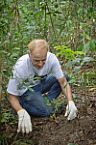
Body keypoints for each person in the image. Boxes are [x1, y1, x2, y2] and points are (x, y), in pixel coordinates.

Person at [7, 39, 77, 134]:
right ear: (29, 54)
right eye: (36, 60)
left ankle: (45, 101)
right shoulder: (21, 66)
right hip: (26, 91)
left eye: (43, 60)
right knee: (46, 112)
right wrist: (20, 111)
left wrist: (70, 101)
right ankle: (31, 105)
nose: (40, 64)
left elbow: (63, 82)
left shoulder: (51, 58)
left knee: (64, 76)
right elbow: (11, 94)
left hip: (40, 83)